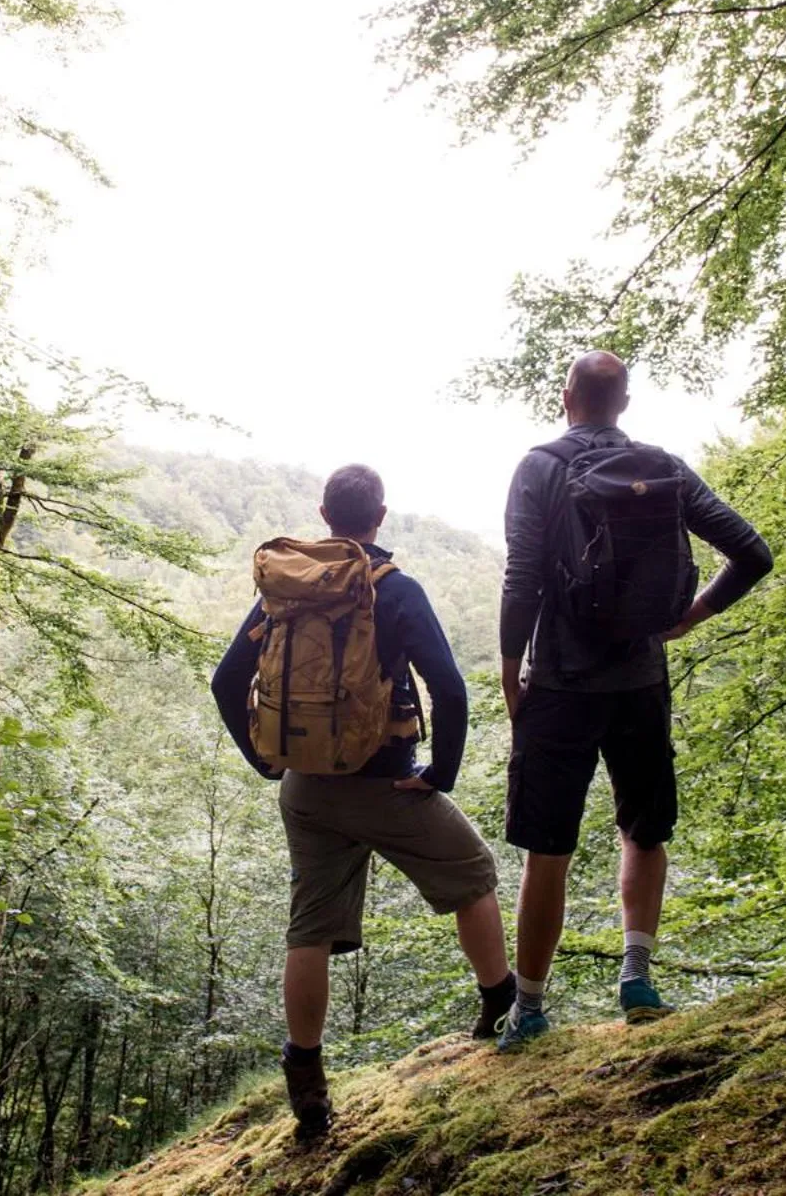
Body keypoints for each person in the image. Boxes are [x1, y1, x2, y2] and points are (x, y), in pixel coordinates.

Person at [210, 464, 514, 1141]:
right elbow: (451, 690)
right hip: (385, 783)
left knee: (310, 927)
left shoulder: (285, 589)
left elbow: (226, 678)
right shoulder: (393, 588)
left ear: (324, 512)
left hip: (307, 788)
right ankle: (502, 1007)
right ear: (381, 516)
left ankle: (308, 1084)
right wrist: (442, 773)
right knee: (474, 872)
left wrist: (264, 760)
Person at [495, 352, 772, 1051]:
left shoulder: (538, 467)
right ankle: (637, 979)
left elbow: (523, 575)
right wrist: (692, 615)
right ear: (623, 402)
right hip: (641, 680)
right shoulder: (666, 468)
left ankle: (528, 1008)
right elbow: (752, 551)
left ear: (568, 398)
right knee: (644, 828)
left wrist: (508, 668)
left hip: (559, 682)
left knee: (546, 849)